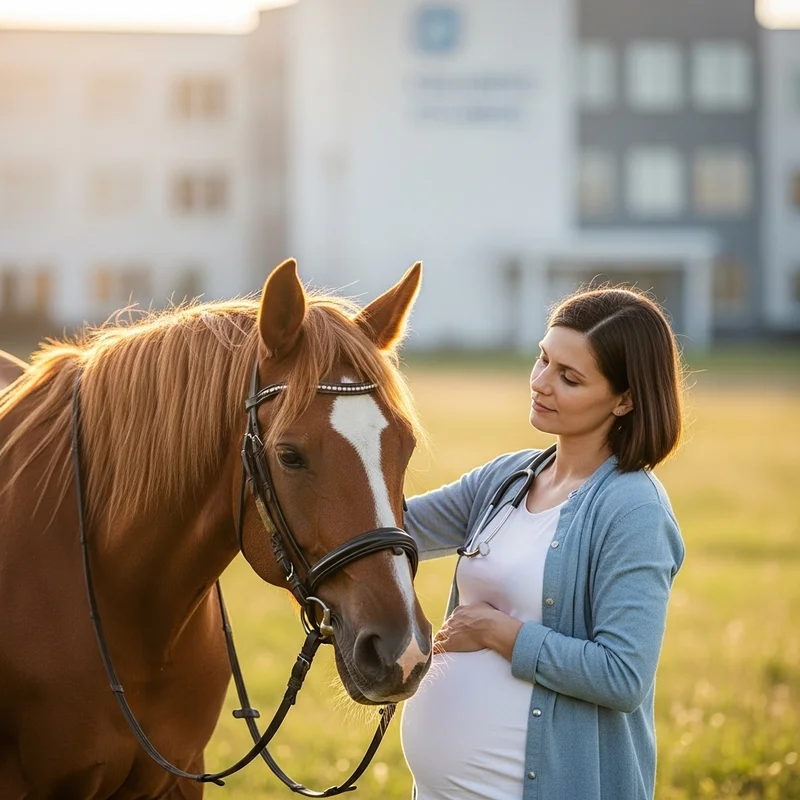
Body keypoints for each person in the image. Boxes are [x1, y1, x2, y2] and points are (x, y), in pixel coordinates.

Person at [400, 286, 686, 800]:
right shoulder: (506, 477)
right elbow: (394, 529)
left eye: (569, 377)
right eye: (543, 358)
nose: (540, 383)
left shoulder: (633, 509)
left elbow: (623, 676)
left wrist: (499, 633)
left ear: (625, 399)